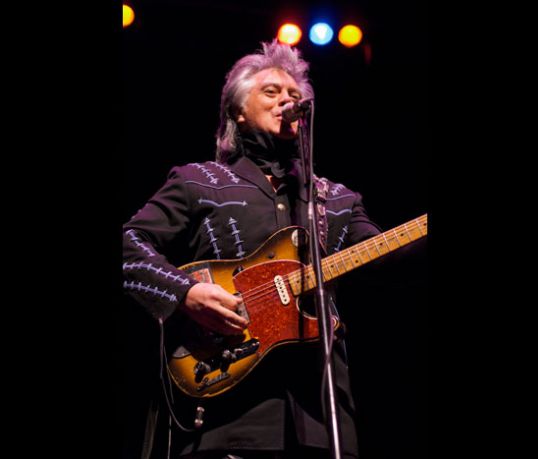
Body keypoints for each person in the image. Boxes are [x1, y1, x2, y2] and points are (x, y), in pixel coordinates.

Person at [122, 39, 384, 459]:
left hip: (323, 421)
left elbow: (383, 256)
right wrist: (185, 293)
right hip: (227, 414)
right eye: (272, 92)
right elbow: (128, 248)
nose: (288, 100)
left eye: (295, 95)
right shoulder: (198, 181)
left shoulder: (335, 199)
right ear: (238, 112)